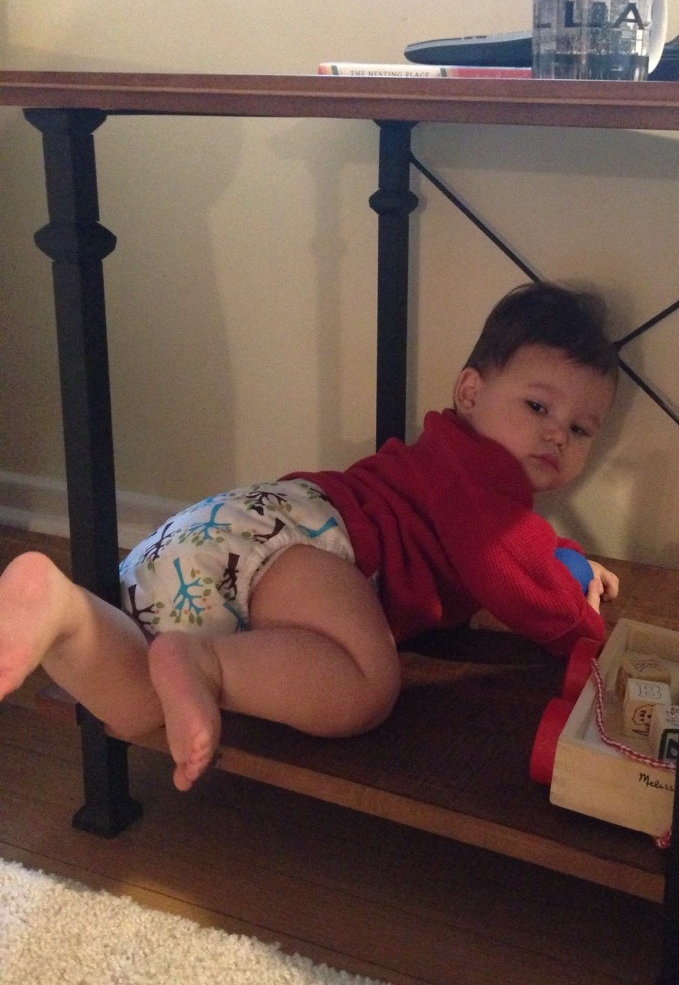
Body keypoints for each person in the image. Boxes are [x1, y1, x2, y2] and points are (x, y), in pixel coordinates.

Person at [0, 282, 620, 794]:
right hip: (304, 544)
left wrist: (568, 561)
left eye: (581, 429)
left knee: (139, 704)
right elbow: (512, 573)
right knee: (366, 685)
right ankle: (202, 661)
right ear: (470, 392)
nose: (557, 435)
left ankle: (65, 613)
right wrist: (586, 634)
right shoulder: (478, 479)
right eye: (538, 407)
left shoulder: (454, 469)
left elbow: (523, 548)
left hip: (216, 537)